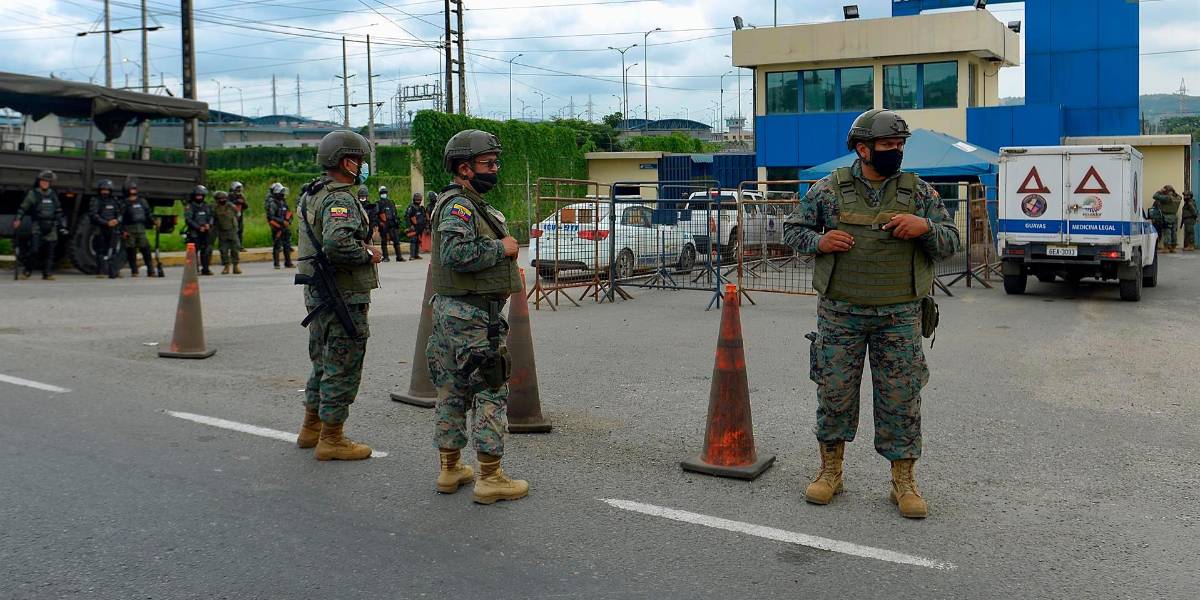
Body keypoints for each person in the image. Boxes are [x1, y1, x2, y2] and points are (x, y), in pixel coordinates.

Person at [782, 109, 961, 519]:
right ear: (863, 149)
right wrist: (820, 241)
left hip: (899, 315)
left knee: (902, 398)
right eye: (888, 145)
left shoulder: (919, 193)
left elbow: (951, 241)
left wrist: (925, 228)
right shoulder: (828, 190)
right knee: (834, 394)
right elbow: (793, 229)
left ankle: (904, 481)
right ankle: (830, 472)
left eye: (900, 145)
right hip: (840, 314)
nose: (896, 151)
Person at [427, 129, 527, 505]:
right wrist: (501, 247)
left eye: (496, 162)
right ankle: (490, 477)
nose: (494, 168)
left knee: (451, 389)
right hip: (471, 315)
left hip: (451, 313)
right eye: (488, 163)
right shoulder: (460, 206)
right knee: (490, 387)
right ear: (464, 168)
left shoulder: (464, 203)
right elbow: (455, 253)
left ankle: (450, 468)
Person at [294, 130, 381, 461]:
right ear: (346, 162)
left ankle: (310, 428)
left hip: (319, 293)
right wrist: (369, 253)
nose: (362, 166)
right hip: (342, 294)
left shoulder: (313, 193)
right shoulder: (341, 199)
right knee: (343, 365)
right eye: (359, 160)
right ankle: (332, 438)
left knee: (322, 362)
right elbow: (337, 243)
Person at [12, 169, 65, 280]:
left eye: (47, 181)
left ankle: (47, 273)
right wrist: (18, 219)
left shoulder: (53, 194)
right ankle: (27, 271)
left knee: (50, 252)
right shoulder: (33, 193)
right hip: (38, 226)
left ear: (50, 183)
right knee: (34, 250)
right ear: (39, 181)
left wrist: (61, 224)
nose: (45, 183)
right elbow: (23, 208)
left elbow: (58, 210)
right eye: (43, 181)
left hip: (51, 227)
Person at [88, 179, 124, 278]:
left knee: (113, 250)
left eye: (107, 190)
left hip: (113, 229)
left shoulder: (114, 200)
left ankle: (113, 270)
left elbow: (120, 213)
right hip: (101, 228)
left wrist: (117, 220)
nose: (105, 192)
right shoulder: (96, 200)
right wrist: (106, 223)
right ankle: (100, 271)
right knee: (101, 250)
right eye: (103, 189)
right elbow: (93, 215)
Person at [121, 181, 156, 277]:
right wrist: (122, 231)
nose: (133, 191)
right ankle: (134, 270)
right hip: (129, 228)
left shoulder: (142, 201)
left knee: (145, 247)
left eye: (134, 189)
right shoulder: (124, 203)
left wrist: (154, 221)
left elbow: (148, 213)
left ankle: (150, 270)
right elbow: (120, 218)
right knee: (131, 249)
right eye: (131, 189)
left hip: (140, 227)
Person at [183, 185, 215, 276]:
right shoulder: (190, 206)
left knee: (206, 251)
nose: (199, 197)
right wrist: (198, 227)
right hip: (194, 232)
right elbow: (188, 220)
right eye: (197, 195)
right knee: (194, 252)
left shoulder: (206, 206)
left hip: (206, 231)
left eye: (201, 195)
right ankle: (194, 270)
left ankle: (206, 269)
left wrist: (209, 224)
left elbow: (211, 216)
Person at [267, 182, 295, 268]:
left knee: (287, 245)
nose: (283, 194)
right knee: (277, 245)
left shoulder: (283, 202)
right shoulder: (272, 203)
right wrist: (282, 222)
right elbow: (271, 217)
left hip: (285, 226)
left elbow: (289, 212)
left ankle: (288, 263)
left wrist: (288, 221)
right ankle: (276, 264)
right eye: (281, 192)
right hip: (277, 227)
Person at [213, 191, 242, 274]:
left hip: (232, 230)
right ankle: (226, 266)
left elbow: (238, 214)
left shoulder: (231, 206)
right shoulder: (215, 208)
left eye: (224, 198)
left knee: (235, 249)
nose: (222, 200)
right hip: (222, 231)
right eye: (220, 199)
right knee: (223, 250)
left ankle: (236, 266)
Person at [375, 185, 404, 262]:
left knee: (396, 241)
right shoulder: (378, 203)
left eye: (384, 192)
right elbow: (375, 215)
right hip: (384, 224)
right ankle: (386, 257)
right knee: (384, 242)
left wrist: (397, 222)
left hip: (392, 223)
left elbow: (395, 213)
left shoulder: (391, 202)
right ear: (380, 194)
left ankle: (399, 257)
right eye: (382, 193)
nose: (384, 194)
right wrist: (379, 223)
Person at [1152, 185, 1182, 253]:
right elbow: (1179, 196)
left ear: (1166, 191)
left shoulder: (1167, 198)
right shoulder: (1177, 197)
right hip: (1174, 216)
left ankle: (1166, 247)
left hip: (1167, 216)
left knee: (1167, 232)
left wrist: (1160, 191)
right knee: (1174, 232)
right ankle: (1173, 247)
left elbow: (1155, 196)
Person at [405, 191, 428, 260]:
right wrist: (410, 225)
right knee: (413, 240)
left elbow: (424, 217)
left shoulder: (421, 208)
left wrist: (426, 226)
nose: (418, 201)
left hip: (420, 227)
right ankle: (412, 256)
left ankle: (416, 255)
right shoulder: (411, 207)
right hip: (413, 227)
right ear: (414, 199)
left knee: (418, 240)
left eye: (419, 199)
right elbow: (407, 217)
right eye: (417, 199)